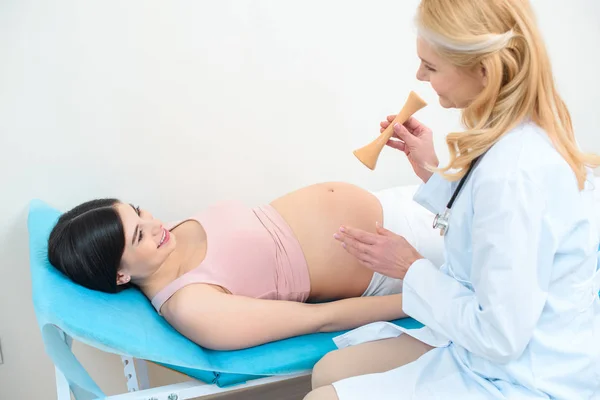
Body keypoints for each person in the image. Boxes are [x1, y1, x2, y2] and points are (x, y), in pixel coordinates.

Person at [305, 0, 600, 399]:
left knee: (321, 395)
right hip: (498, 345)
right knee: (331, 369)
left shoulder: (513, 173)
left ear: (484, 70)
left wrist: (409, 267)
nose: (419, 76)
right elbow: (491, 221)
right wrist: (431, 172)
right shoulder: (519, 135)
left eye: (431, 66)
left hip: (523, 373)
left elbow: (500, 337)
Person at [47, 181, 445, 351]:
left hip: (397, 204)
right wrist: (426, 291)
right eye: (138, 235)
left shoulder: (163, 245)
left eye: (138, 213)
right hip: (397, 255)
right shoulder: (193, 306)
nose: (154, 224)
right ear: (120, 275)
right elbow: (323, 318)